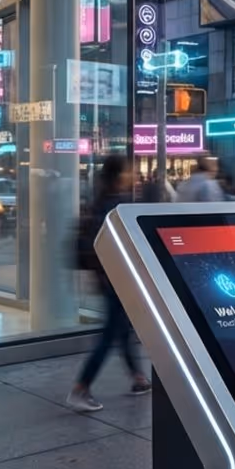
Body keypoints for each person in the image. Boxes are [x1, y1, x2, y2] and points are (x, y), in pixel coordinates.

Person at [68, 155, 152, 412]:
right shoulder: (117, 204)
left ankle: (138, 378)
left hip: (109, 276)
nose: (133, 175)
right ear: (119, 175)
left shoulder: (101, 200)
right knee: (110, 333)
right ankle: (81, 388)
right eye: (129, 171)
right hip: (116, 277)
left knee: (121, 328)